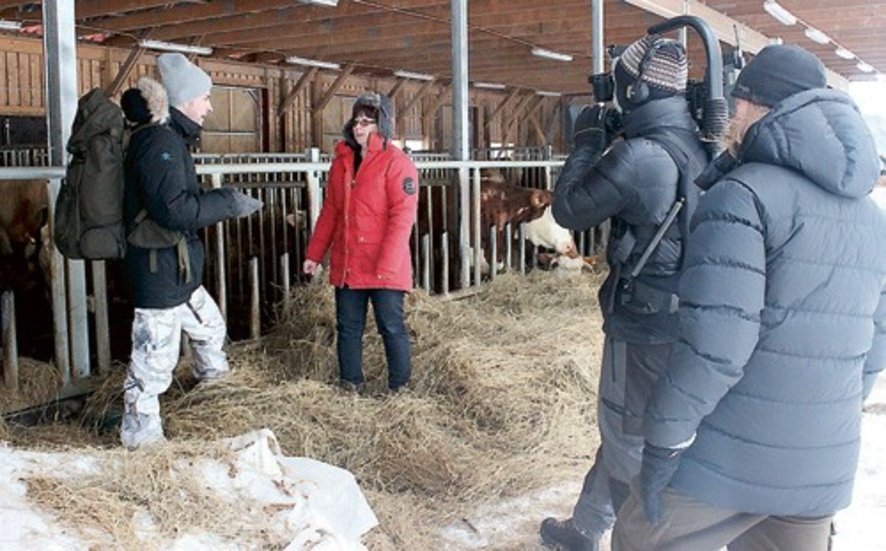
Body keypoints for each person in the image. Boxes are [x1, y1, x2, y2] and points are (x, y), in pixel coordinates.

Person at [611, 44, 886, 550]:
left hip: (727, 464)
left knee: (638, 537)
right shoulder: (872, 216)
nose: (729, 112)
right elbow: (877, 340)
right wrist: (825, 412)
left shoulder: (742, 197)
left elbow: (715, 348)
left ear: (757, 106)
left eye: (739, 99)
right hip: (821, 464)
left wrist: (665, 443)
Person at [540, 35, 709, 550]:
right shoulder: (696, 141)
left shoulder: (640, 156)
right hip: (687, 315)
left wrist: (588, 139)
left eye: (619, 87)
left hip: (643, 322)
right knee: (632, 427)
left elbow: (568, 210)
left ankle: (642, 537)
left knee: (626, 434)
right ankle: (585, 527)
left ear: (634, 91)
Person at [119, 53, 263, 450]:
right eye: (205, 97)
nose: (210, 106)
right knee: (154, 360)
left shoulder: (170, 138)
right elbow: (172, 210)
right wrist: (228, 203)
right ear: (184, 100)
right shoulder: (157, 142)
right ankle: (140, 437)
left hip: (177, 267)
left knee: (210, 328)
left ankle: (214, 397)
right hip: (158, 269)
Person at [303, 92, 419, 393]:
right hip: (349, 262)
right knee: (348, 327)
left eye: (367, 122)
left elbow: (402, 216)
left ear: (383, 125)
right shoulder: (342, 161)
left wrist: (388, 264)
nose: (359, 128)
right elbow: (331, 211)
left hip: (384, 265)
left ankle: (400, 388)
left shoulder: (397, 163)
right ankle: (350, 384)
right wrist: (314, 254)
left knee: (391, 327)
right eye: (357, 121)